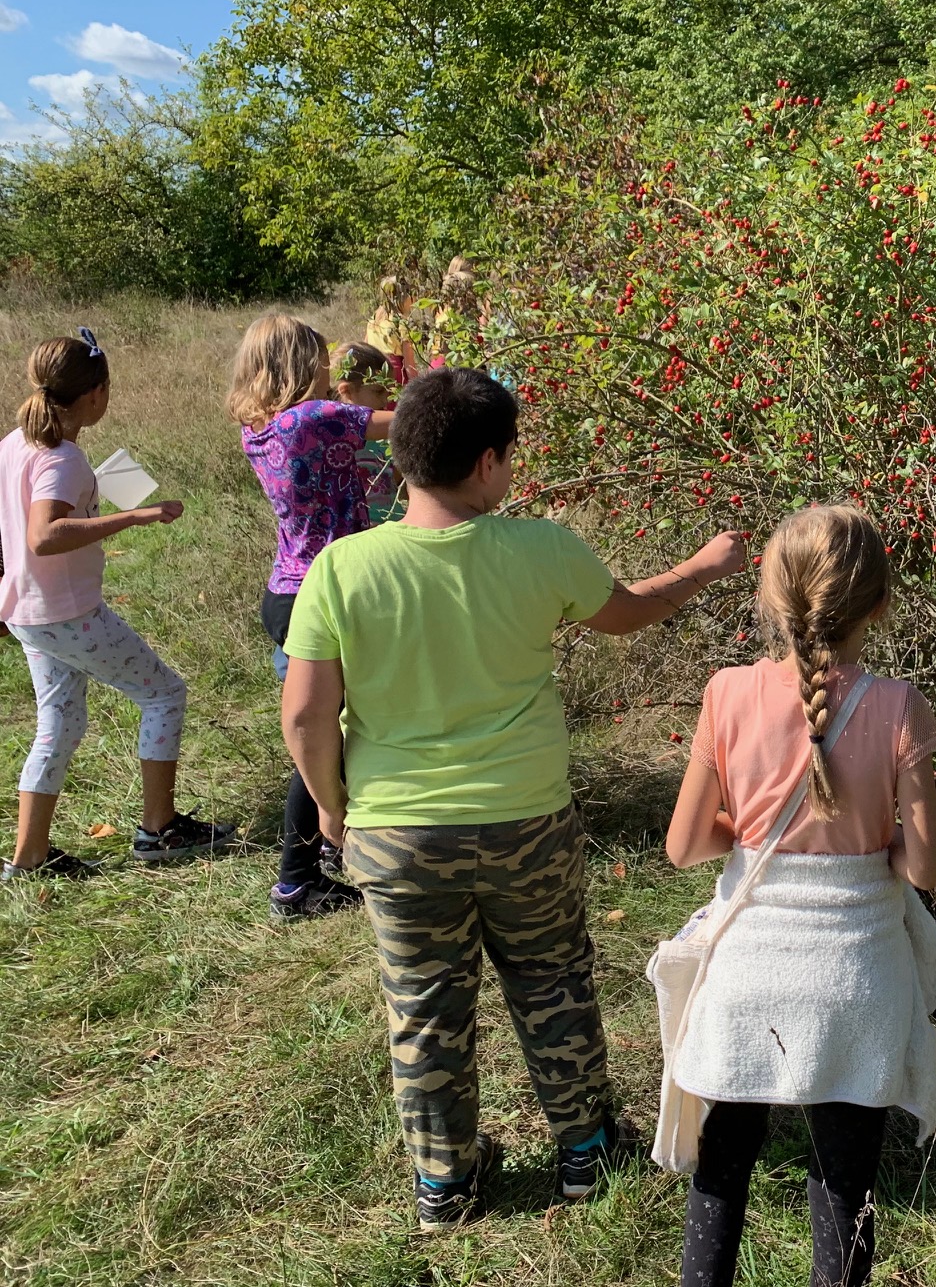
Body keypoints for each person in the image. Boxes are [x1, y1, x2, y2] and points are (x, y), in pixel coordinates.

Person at [279, 366, 748, 1230]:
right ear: (488, 462)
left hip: (397, 833)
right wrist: (706, 566)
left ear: (402, 455)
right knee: (552, 980)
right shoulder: (541, 549)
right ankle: (585, 1152)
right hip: (527, 820)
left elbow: (306, 716)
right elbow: (628, 612)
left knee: (424, 1009)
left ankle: (446, 1184)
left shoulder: (341, 568)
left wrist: (334, 810)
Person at [666, 503, 936, 1287]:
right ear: (880, 604)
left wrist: (746, 833)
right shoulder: (900, 705)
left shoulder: (726, 692)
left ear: (769, 595)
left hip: (747, 974)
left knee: (724, 1166)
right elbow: (926, 868)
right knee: (845, 1180)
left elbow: (684, 845)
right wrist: (883, 847)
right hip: (857, 980)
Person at [1, 332, 235, 879]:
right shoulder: (63, 458)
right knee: (164, 694)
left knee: (59, 722)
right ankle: (160, 829)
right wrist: (135, 515)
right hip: (67, 614)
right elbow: (43, 535)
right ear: (95, 394)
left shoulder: (15, 443)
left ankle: (29, 858)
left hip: (29, 613)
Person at [230, 315, 396, 921]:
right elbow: (412, 422)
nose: (329, 365)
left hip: (288, 586)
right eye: (320, 356)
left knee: (322, 728)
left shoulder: (260, 426)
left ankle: (327, 851)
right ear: (301, 363)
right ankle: (297, 881)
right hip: (325, 591)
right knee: (321, 736)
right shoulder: (312, 418)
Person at [332, 341, 402, 524]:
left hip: (393, 522)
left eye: (388, 390)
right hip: (362, 528)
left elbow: (394, 479)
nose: (386, 399)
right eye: (378, 391)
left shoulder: (383, 433)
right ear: (347, 391)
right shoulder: (336, 440)